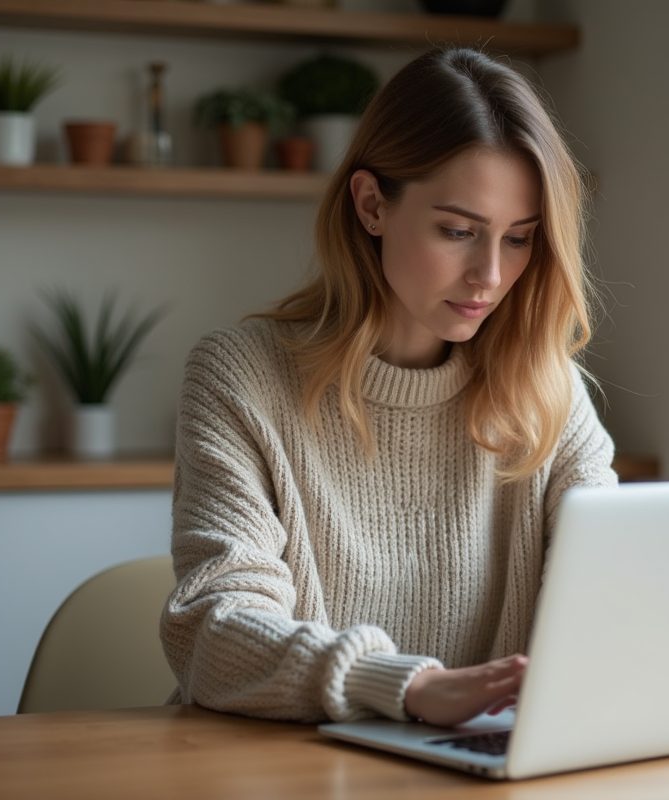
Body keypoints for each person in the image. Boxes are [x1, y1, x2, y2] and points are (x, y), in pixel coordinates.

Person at [160, 47, 617, 728]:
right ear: (372, 205)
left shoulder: (546, 390)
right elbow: (214, 628)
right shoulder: (240, 377)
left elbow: (609, 597)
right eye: (458, 231)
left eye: (519, 239)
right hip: (283, 772)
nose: (490, 274)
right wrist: (406, 687)